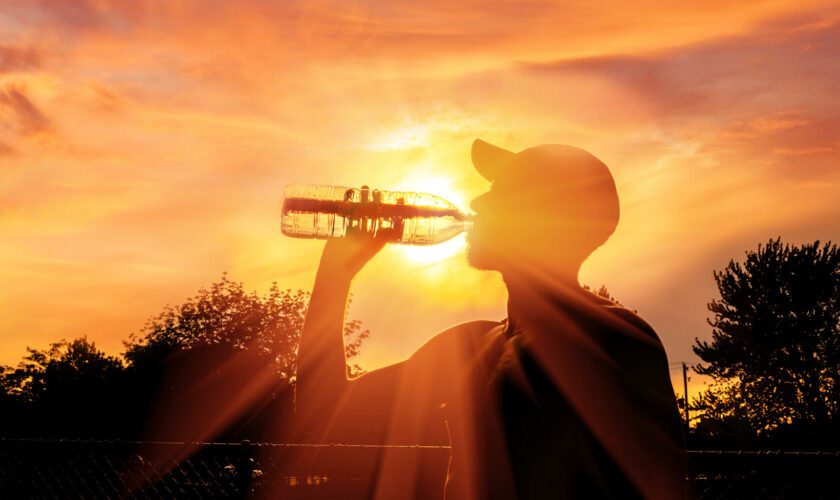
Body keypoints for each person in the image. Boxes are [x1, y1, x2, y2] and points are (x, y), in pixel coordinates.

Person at [294, 139, 686, 499]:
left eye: (502, 194)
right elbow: (325, 409)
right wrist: (336, 274)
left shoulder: (612, 339)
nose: (478, 204)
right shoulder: (470, 346)